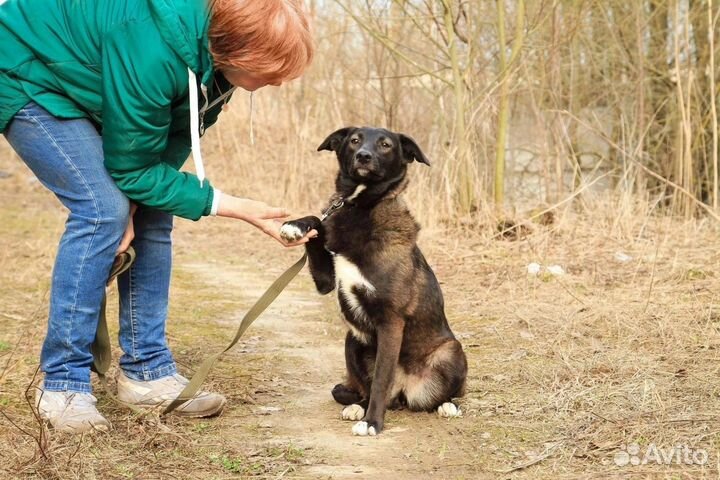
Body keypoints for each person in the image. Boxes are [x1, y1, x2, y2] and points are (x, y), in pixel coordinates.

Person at [0, 0, 316, 433]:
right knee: (101, 210)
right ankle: (62, 383)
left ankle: (146, 372)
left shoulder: (213, 66)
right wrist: (238, 208)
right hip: (27, 70)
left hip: (91, 77)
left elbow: (164, 145)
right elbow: (132, 169)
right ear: (237, 52)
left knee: (152, 206)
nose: (277, 83)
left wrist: (138, 202)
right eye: (272, 71)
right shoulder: (153, 49)